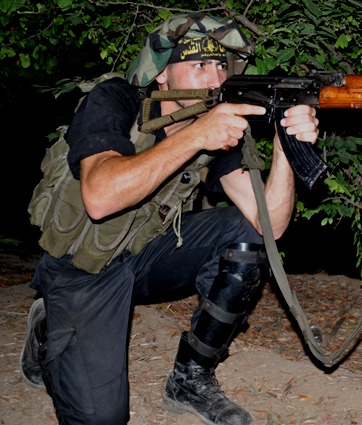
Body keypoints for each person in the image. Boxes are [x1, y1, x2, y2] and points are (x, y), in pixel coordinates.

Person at [19, 12, 319, 425]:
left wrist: (287, 145)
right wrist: (196, 136)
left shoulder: (211, 127)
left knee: (243, 232)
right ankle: (46, 325)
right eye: (199, 65)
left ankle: (190, 379)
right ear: (161, 74)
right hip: (82, 267)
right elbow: (99, 198)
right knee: (101, 418)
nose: (215, 79)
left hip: (146, 254)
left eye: (221, 66)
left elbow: (271, 224)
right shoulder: (115, 100)